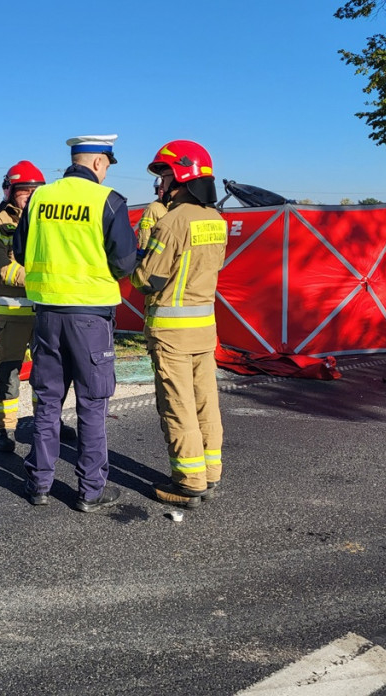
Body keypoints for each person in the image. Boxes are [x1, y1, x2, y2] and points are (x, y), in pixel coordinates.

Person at [12, 134, 138, 512]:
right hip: (90, 318)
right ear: (100, 162)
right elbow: (124, 264)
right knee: (92, 404)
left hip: (47, 315)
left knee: (47, 402)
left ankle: (38, 485)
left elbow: (20, 251)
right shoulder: (108, 200)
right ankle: (90, 490)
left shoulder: (39, 199)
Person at [131, 140, 228, 509]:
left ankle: (189, 483)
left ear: (182, 176)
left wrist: (134, 266)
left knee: (177, 405)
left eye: (166, 174)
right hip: (204, 327)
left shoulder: (172, 222)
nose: (162, 183)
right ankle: (211, 472)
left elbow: (148, 280)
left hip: (171, 332)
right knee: (205, 401)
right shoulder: (216, 220)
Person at [0, 161, 45, 453]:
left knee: (48, 374)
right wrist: (37, 280)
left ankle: (46, 423)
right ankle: (4, 427)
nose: (30, 195)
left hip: (46, 312)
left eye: (35, 190)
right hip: (13, 314)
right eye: (24, 191)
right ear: (11, 191)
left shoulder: (47, 221)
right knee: (7, 373)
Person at [137, 178, 168, 255]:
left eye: (163, 187)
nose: (160, 190)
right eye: (158, 188)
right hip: (156, 255)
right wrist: (144, 254)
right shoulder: (152, 209)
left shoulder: (177, 206)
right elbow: (145, 234)